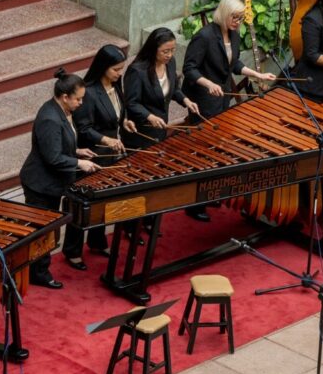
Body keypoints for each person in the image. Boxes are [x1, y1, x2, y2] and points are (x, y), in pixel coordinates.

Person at [181, 0, 276, 220]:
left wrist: (258, 74)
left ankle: (209, 194)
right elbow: (189, 68)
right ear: (224, 14)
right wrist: (208, 83)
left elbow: (235, 65)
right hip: (202, 99)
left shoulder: (233, 35)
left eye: (241, 18)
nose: (238, 22)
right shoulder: (204, 36)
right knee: (204, 148)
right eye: (235, 17)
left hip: (222, 98)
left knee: (218, 147)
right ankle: (194, 204)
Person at [19, 68, 101, 288]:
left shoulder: (63, 111)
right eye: (78, 99)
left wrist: (78, 151)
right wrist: (78, 163)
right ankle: (39, 273)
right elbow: (53, 157)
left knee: (49, 228)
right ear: (65, 97)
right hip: (41, 184)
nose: (81, 103)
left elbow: (62, 144)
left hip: (53, 182)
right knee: (43, 230)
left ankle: (37, 268)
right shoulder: (50, 119)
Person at [71, 45, 136, 266]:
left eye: (121, 69)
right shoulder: (88, 92)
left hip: (111, 153)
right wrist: (106, 140)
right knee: (85, 202)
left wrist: (124, 121)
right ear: (103, 67)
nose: (119, 73)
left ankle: (97, 241)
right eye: (116, 69)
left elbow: (117, 113)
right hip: (92, 153)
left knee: (104, 200)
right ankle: (72, 249)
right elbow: (83, 128)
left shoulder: (116, 86)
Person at [122, 27, 200, 148]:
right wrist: (150, 117)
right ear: (153, 50)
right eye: (165, 51)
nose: (169, 55)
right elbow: (131, 103)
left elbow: (173, 89)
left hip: (161, 127)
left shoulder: (170, 63)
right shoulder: (137, 71)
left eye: (172, 50)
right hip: (140, 132)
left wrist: (186, 100)